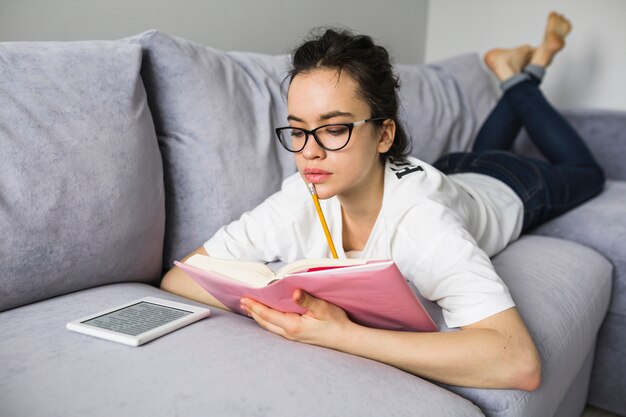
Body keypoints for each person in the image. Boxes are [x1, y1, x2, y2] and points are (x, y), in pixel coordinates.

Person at [161, 12, 604, 391]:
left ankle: (522, 71)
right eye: (297, 130)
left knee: (587, 174)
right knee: (477, 151)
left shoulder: (422, 222)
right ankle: (516, 70)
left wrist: (341, 335)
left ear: (384, 134)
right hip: (450, 171)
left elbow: (519, 364)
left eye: (334, 128)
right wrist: (276, 304)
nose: (309, 152)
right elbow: (180, 279)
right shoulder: (302, 194)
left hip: (511, 185)